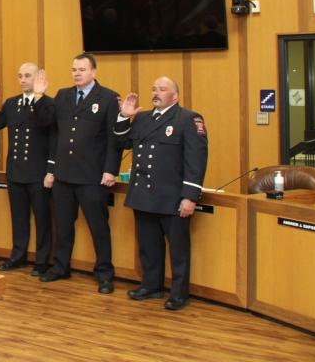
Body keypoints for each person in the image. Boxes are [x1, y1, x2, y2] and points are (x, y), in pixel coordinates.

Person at [115, 76, 208, 311]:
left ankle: (178, 293)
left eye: (162, 89)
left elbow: (196, 161)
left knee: (178, 249)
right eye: (154, 89)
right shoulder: (143, 118)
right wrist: (124, 116)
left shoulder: (188, 119)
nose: (156, 93)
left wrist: (190, 196)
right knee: (148, 246)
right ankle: (151, 285)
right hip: (144, 194)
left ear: (175, 96)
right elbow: (122, 142)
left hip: (172, 196)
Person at [32, 53, 120, 292]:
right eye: (74, 70)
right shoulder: (63, 95)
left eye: (82, 69)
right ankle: (61, 267)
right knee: (62, 225)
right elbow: (47, 125)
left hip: (92, 176)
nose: (77, 73)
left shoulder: (109, 98)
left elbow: (113, 139)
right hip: (64, 174)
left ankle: (104, 273)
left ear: (94, 72)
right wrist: (39, 96)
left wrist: (111, 170)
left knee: (98, 227)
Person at [0, 63, 53, 275]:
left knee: (42, 218)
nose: (23, 79)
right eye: (20, 75)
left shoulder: (48, 103)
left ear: (39, 77)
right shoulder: (12, 103)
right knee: (19, 217)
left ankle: (42, 261)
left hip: (38, 172)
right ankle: (18, 256)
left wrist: (51, 170)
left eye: (27, 76)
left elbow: (49, 129)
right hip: (16, 171)